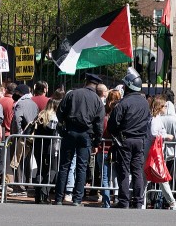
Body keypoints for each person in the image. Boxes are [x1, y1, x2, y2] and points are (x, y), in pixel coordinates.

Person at [54, 73, 105, 206]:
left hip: (70, 131)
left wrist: (63, 127)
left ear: (85, 81)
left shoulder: (72, 94)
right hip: (86, 134)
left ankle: (59, 198)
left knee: (64, 165)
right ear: (96, 85)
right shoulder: (97, 100)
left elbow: (60, 112)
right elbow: (99, 124)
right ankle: (77, 199)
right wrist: (96, 142)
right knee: (81, 167)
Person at [107, 67, 150, 209]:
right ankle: (138, 202)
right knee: (137, 171)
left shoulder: (123, 103)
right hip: (140, 141)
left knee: (124, 171)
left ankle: (124, 201)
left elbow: (112, 124)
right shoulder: (145, 103)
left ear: (128, 86)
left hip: (125, 140)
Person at [148, 95, 176, 210]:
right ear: (160, 106)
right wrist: (167, 136)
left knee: (157, 178)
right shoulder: (156, 119)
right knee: (163, 178)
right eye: (163, 105)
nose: (165, 107)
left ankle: (168, 202)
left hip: (158, 152)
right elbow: (154, 134)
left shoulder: (155, 118)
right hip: (160, 152)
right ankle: (171, 202)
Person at [33, 98, 61, 204]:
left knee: (40, 170)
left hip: (38, 146)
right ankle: (44, 193)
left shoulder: (41, 115)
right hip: (51, 147)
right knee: (53, 169)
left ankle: (37, 195)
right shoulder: (54, 118)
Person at [97, 89, 121, 208]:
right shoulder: (119, 117)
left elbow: (100, 131)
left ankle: (106, 202)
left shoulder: (104, 116)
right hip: (116, 150)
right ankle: (117, 198)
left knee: (105, 177)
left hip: (104, 149)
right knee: (118, 175)